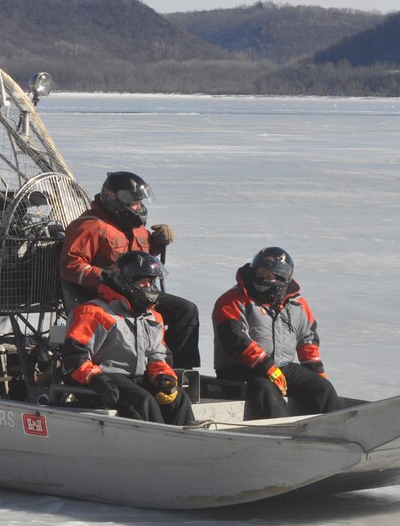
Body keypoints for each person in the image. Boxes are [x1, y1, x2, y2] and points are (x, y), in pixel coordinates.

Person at [59, 171, 200, 369]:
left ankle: (180, 370)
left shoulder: (134, 227)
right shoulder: (89, 226)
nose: (139, 207)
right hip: (109, 300)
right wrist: (108, 279)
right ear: (115, 198)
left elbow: (141, 259)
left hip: (138, 294)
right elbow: (71, 266)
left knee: (185, 310)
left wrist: (159, 242)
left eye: (140, 202)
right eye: (134, 202)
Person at [62, 251, 196, 425]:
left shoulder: (152, 317)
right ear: (126, 282)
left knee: (177, 398)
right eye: (143, 282)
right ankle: (155, 442)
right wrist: (97, 379)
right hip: (103, 379)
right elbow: (75, 357)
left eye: (151, 282)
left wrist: (163, 377)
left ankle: (187, 437)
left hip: (135, 377)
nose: (149, 287)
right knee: (144, 401)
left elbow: (157, 354)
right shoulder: (95, 313)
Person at [213, 247, 340, 420]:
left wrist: (316, 372)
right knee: (265, 389)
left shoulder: (297, 304)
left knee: (322, 388)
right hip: (240, 370)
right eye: (259, 274)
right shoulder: (232, 300)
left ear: (282, 279)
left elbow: (307, 339)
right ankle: (280, 434)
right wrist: (267, 366)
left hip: (282, 366)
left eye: (268, 276)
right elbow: (235, 339)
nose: (262, 280)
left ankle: (333, 430)